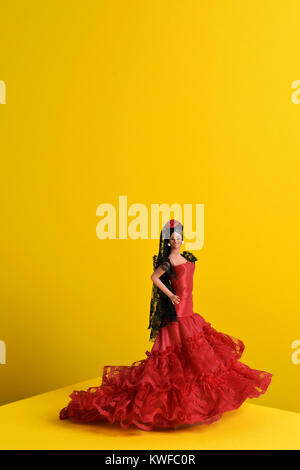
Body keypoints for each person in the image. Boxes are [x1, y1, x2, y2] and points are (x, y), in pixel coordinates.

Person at [59, 219, 273, 431]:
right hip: (178, 317)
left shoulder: (187, 258)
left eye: (179, 237)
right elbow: (154, 277)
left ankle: (196, 406)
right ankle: (168, 410)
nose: (176, 241)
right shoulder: (167, 262)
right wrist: (170, 294)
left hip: (190, 314)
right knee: (176, 363)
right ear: (168, 241)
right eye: (172, 238)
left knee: (197, 362)